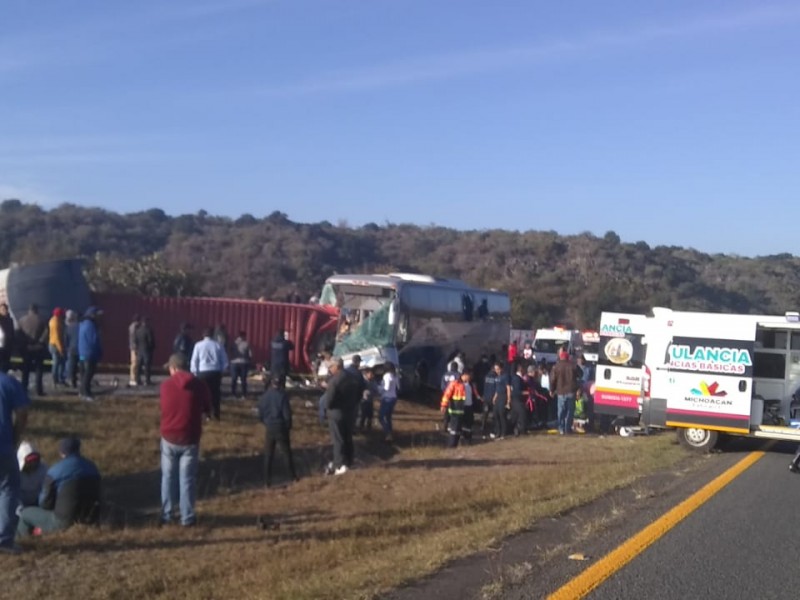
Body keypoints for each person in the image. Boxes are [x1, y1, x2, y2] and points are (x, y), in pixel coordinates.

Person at [159, 353, 211, 526]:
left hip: (169, 436)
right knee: (187, 478)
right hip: (190, 437)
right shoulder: (200, 385)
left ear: (173, 368)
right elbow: (206, 408)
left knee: (168, 477)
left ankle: (167, 514)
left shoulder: (165, 386)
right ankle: (187, 516)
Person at [17, 437, 101, 538]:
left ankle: (23, 541)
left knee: (26, 513)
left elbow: (44, 503)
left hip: (63, 521)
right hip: (90, 518)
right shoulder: (93, 467)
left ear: (61, 452)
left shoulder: (55, 472)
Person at [0, 371, 29, 553]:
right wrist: (16, 437)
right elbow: (22, 413)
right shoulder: (8, 382)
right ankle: (3, 540)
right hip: (3, 445)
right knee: (8, 489)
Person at [321, 359, 362, 475]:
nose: (329, 369)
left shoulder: (334, 381)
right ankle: (349, 461)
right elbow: (359, 393)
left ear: (337, 366)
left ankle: (339, 464)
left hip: (336, 413)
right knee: (348, 437)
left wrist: (327, 408)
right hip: (350, 412)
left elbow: (329, 400)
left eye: (331, 367)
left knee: (338, 439)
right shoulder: (352, 378)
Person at [257, 377, 298, 487]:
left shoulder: (264, 396)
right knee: (286, 453)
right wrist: (288, 426)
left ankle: (267, 480)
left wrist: (266, 422)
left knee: (268, 454)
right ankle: (292, 477)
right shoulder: (282, 396)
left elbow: (260, 414)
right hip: (281, 427)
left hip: (269, 427)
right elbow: (287, 414)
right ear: (280, 384)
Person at [191, 327, 228, 420]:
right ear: (212, 335)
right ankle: (216, 414)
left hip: (202, 372)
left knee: (203, 393)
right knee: (215, 394)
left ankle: (205, 414)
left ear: (203, 335)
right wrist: (222, 370)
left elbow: (194, 360)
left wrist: (195, 372)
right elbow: (225, 361)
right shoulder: (218, 345)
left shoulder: (198, 345)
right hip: (215, 372)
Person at [440, 368, 480, 447]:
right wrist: (444, 405)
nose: (470, 377)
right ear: (464, 375)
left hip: (468, 409)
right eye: (469, 376)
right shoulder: (455, 383)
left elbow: (475, 395)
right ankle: (452, 445)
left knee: (467, 427)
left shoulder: (471, 385)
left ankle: (467, 443)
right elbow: (447, 394)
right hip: (457, 409)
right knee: (455, 429)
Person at [17, 303, 48, 397]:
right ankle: (39, 390)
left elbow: (19, 334)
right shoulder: (42, 319)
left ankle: (23, 389)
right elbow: (46, 332)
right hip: (38, 348)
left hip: (27, 348)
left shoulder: (22, 320)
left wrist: (24, 344)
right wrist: (40, 342)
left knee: (25, 371)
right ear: (36, 310)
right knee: (39, 370)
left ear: (29, 310)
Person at [550, 349, 579, 435]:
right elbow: (580, 375)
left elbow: (552, 380)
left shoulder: (556, 366)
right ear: (567, 358)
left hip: (560, 391)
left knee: (561, 411)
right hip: (571, 391)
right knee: (570, 411)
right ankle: (568, 428)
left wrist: (552, 390)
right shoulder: (573, 366)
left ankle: (561, 428)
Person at [78, 307, 103, 402]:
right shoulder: (91, 325)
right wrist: (99, 352)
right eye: (97, 315)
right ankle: (86, 393)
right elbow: (94, 341)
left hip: (82, 352)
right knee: (88, 373)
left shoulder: (82, 324)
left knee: (84, 374)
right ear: (93, 315)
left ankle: (83, 391)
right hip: (90, 353)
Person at [16, 441, 47, 508]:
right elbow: (14, 493)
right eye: (30, 461)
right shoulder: (15, 473)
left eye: (35, 459)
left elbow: (45, 489)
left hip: (38, 503)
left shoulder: (43, 469)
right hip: (19, 505)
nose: (33, 463)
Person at [379, 363, 398, 443]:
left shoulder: (386, 376)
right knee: (388, 417)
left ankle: (388, 434)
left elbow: (386, 387)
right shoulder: (395, 375)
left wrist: (379, 388)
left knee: (381, 417)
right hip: (394, 398)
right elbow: (398, 387)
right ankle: (390, 431)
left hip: (387, 398)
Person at [490, 362, 510, 440]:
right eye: (495, 369)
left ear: (501, 368)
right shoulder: (497, 377)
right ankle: (497, 431)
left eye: (498, 369)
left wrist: (508, 399)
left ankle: (503, 433)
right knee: (495, 414)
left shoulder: (505, 377)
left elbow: (508, 388)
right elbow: (497, 389)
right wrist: (495, 397)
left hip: (503, 396)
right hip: (498, 396)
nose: (497, 371)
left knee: (502, 414)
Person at [230, 331, 253, 399]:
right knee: (243, 379)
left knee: (234, 379)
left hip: (234, 363)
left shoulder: (233, 343)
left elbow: (229, 352)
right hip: (244, 363)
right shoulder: (247, 343)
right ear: (244, 336)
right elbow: (250, 355)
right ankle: (244, 394)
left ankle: (233, 394)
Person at [135, 316, 156, 386]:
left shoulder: (138, 330)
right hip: (147, 350)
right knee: (147, 366)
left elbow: (136, 341)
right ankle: (147, 380)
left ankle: (137, 380)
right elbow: (151, 341)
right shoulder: (148, 330)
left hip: (139, 350)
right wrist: (152, 348)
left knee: (139, 366)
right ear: (146, 322)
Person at [47, 307, 66, 387]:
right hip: (55, 345)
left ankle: (58, 379)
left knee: (59, 363)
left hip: (53, 344)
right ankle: (56, 380)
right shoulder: (56, 323)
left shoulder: (53, 320)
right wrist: (61, 348)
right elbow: (57, 337)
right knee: (57, 363)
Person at [509, 362, 528, 436]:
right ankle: (520, 429)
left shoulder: (514, 377)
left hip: (514, 400)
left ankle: (514, 428)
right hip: (517, 399)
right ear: (520, 368)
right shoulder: (517, 378)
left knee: (515, 415)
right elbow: (517, 391)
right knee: (522, 414)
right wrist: (526, 392)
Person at [64, 310, 79, 388]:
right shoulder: (80, 326)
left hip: (71, 349)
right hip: (79, 349)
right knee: (80, 366)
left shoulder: (68, 328)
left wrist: (66, 348)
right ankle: (83, 381)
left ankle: (72, 381)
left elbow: (66, 340)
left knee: (72, 366)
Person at [0, 303, 14, 374]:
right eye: (2, 309)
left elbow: (11, 332)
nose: (4, 311)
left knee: (6, 365)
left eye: (5, 309)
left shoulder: (10, 320)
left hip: (8, 346)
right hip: (1, 346)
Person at [128, 314, 141, 387]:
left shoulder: (132, 327)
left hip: (133, 347)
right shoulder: (134, 327)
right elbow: (134, 338)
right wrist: (135, 347)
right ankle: (133, 379)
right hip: (134, 347)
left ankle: (135, 378)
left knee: (135, 363)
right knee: (134, 363)